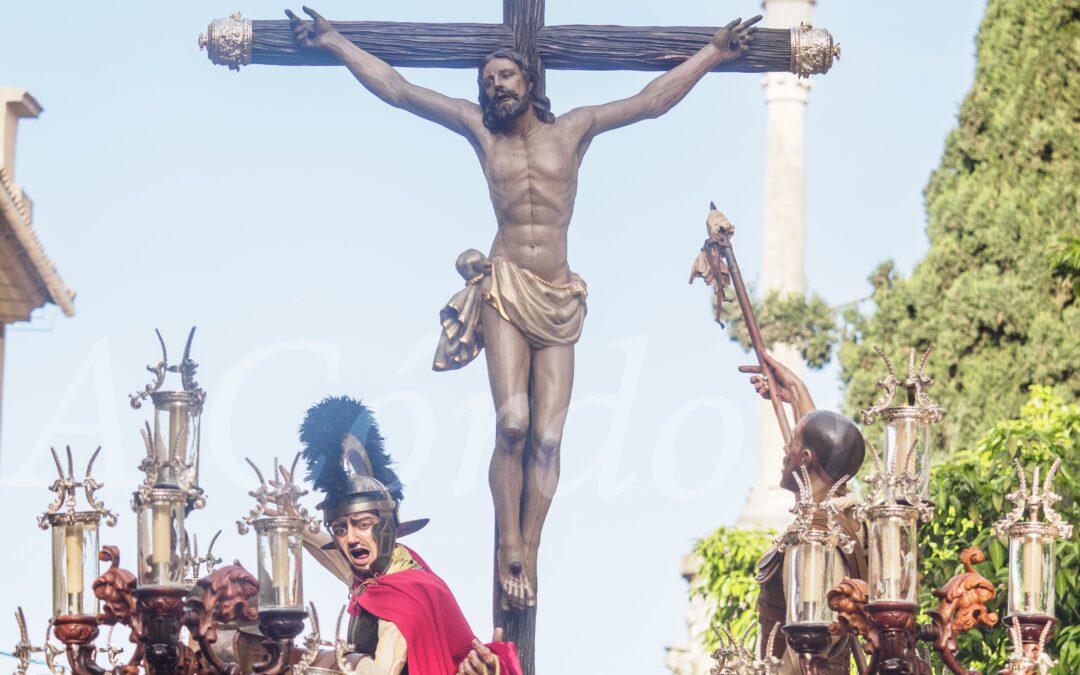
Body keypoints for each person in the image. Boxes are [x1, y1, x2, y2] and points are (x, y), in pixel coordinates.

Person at [284, 5, 761, 610]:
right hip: (505, 287)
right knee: (513, 424)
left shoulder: (576, 130)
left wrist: (714, 52)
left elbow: (650, 100)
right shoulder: (481, 133)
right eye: (487, 81)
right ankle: (509, 541)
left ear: (530, 82)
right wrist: (333, 41)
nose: (494, 87)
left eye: (504, 77)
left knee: (551, 437)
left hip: (560, 296)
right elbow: (400, 90)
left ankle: (530, 547)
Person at [297, 395, 522, 675]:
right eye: (340, 530)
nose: (351, 538)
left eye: (362, 524)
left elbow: (381, 671)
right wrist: (294, 522)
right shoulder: (374, 579)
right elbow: (332, 556)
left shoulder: (405, 598)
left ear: (387, 527)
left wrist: (305, 662)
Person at [740, 354, 867, 674]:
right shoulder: (840, 523)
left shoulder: (817, 536)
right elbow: (832, 455)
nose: (785, 451)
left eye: (793, 444)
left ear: (806, 457)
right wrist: (796, 391)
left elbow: (805, 653)